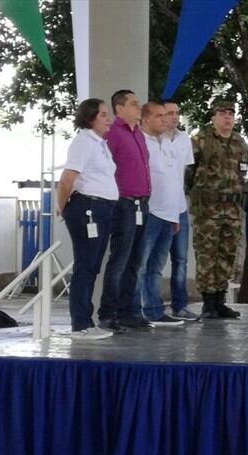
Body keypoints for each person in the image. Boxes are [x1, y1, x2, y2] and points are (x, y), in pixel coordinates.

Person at [56, 98, 119, 340]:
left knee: (92, 267)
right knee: (85, 266)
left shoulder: (99, 143)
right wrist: (63, 208)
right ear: (90, 117)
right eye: (103, 115)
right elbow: (66, 180)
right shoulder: (83, 142)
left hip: (102, 208)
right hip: (88, 207)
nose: (109, 120)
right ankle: (80, 324)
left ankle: (86, 321)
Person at [186, 100, 248, 319]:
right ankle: (208, 302)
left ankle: (220, 299)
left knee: (227, 254)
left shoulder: (240, 142)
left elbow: (243, 172)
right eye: (222, 113)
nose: (227, 117)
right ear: (213, 117)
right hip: (208, 209)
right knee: (207, 254)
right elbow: (188, 173)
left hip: (232, 208)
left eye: (231, 113)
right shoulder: (200, 141)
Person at [98, 89, 151, 333]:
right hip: (124, 203)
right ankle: (108, 313)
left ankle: (128, 311)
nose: (138, 107)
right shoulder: (113, 134)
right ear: (120, 108)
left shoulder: (138, 134)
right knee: (120, 259)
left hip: (142, 202)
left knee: (136, 260)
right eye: (133, 103)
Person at [133, 101, 184, 326]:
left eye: (166, 116)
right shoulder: (141, 143)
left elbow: (175, 180)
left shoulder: (168, 143)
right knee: (139, 265)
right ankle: (133, 312)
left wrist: (175, 214)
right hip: (150, 213)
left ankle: (154, 310)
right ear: (145, 120)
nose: (165, 120)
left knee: (156, 267)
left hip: (169, 214)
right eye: (159, 116)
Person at [161, 99, 199, 321]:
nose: (174, 117)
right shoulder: (153, 139)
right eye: (169, 113)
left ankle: (179, 305)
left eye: (177, 113)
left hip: (179, 206)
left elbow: (183, 171)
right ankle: (150, 307)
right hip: (158, 208)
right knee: (152, 262)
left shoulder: (184, 139)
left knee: (181, 259)